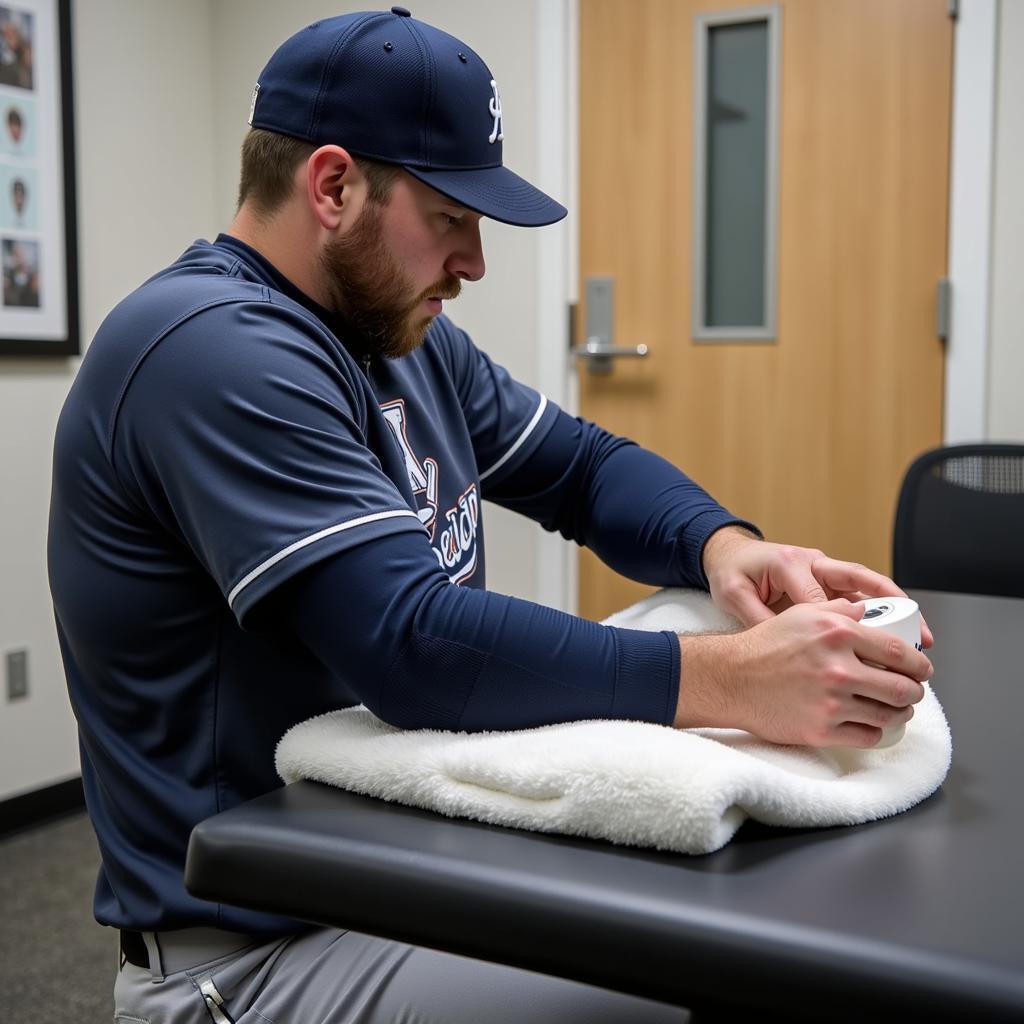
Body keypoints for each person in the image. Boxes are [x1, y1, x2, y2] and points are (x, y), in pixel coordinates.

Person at [48, 8, 933, 1023]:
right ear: (333, 185)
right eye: (450, 218)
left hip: (403, 872)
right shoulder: (208, 347)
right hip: (254, 952)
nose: (474, 263)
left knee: (757, 920)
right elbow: (409, 641)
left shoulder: (397, 341)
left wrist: (726, 546)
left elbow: (585, 470)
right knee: (701, 991)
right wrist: (737, 680)